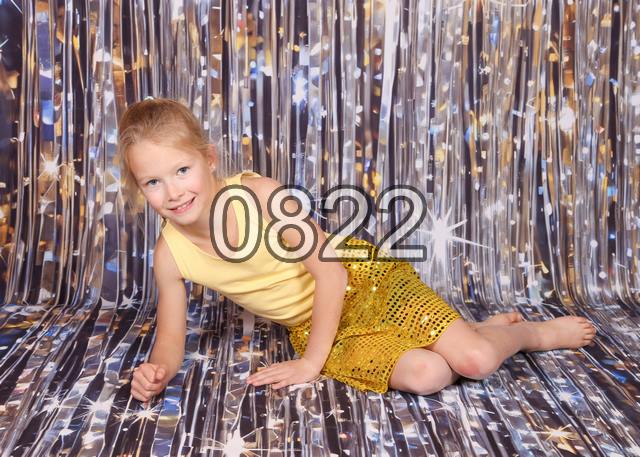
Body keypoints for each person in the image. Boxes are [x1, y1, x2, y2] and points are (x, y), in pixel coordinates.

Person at [117, 98, 597, 403]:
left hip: (365, 283)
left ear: (209, 159)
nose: (173, 192)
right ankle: (477, 330)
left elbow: (332, 274)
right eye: (153, 182)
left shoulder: (260, 196)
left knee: (475, 361)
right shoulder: (170, 254)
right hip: (316, 326)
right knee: (428, 375)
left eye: (182, 171)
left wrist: (310, 365)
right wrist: (158, 371)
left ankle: (527, 335)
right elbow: (171, 338)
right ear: (140, 188)